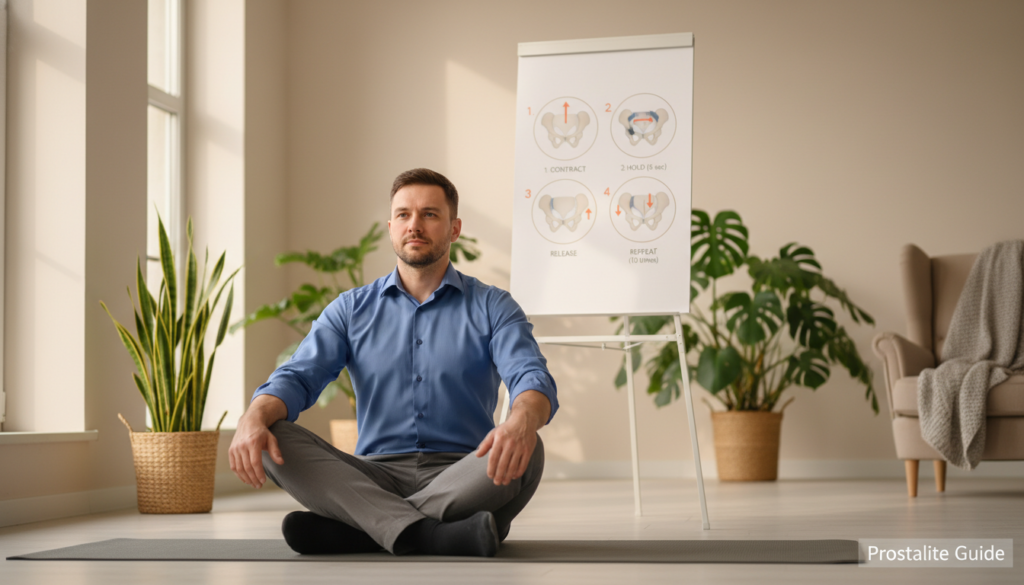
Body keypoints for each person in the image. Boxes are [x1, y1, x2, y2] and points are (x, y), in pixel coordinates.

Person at [228, 168, 558, 557]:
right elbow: (298, 376)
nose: (414, 225)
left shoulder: (492, 305)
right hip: (372, 475)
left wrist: (520, 420)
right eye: (403, 215)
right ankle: (436, 534)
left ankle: (361, 530)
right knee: (270, 433)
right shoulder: (350, 309)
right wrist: (252, 417)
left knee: (528, 444)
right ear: (390, 227)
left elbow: (530, 375)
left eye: (430, 214)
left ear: (454, 229)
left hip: (465, 472)